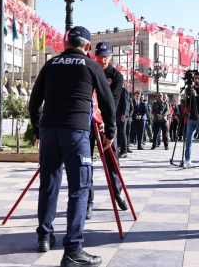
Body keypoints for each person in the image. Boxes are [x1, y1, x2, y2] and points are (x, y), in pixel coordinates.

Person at [29, 26, 114, 267]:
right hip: (75, 133)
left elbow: (35, 100)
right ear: (87, 47)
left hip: (49, 131)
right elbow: (107, 102)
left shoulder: (51, 64)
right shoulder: (91, 66)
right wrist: (111, 131)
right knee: (79, 189)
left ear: (66, 44)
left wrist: (38, 130)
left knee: (48, 184)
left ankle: (44, 236)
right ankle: (73, 249)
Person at [87, 42, 128, 220]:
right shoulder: (90, 70)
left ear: (111, 56)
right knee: (85, 162)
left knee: (112, 161)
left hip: (106, 123)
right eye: (99, 56)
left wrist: (105, 122)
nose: (102, 59)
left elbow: (113, 102)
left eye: (105, 56)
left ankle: (117, 192)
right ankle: (88, 200)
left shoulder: (116, 76)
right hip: (88, 122)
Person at [117, 86, 131, 158]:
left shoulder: (123, 90)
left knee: (123, 131)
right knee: (119, 132)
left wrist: (124, 114)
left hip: (123, 115)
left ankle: (124, 151)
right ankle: (120, 148)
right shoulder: (115, 88)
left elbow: (126, 103)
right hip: (117, 114)